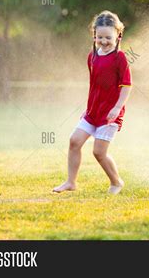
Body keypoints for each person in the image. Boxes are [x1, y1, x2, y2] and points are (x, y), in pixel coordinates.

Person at [53, 10, 132, 195]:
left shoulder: (119, 58)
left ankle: (116, 182)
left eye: (108, 37)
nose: (104, 41)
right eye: (100, 37)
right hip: (92, 112)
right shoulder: (92, 56)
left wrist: (117, 107)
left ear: (118, 35)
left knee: (98, 152)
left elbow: (127, 85)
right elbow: (95, 86)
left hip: (110, 114)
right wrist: (89, 108)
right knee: (74, 141)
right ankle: (71, 182)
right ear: (94, 35)